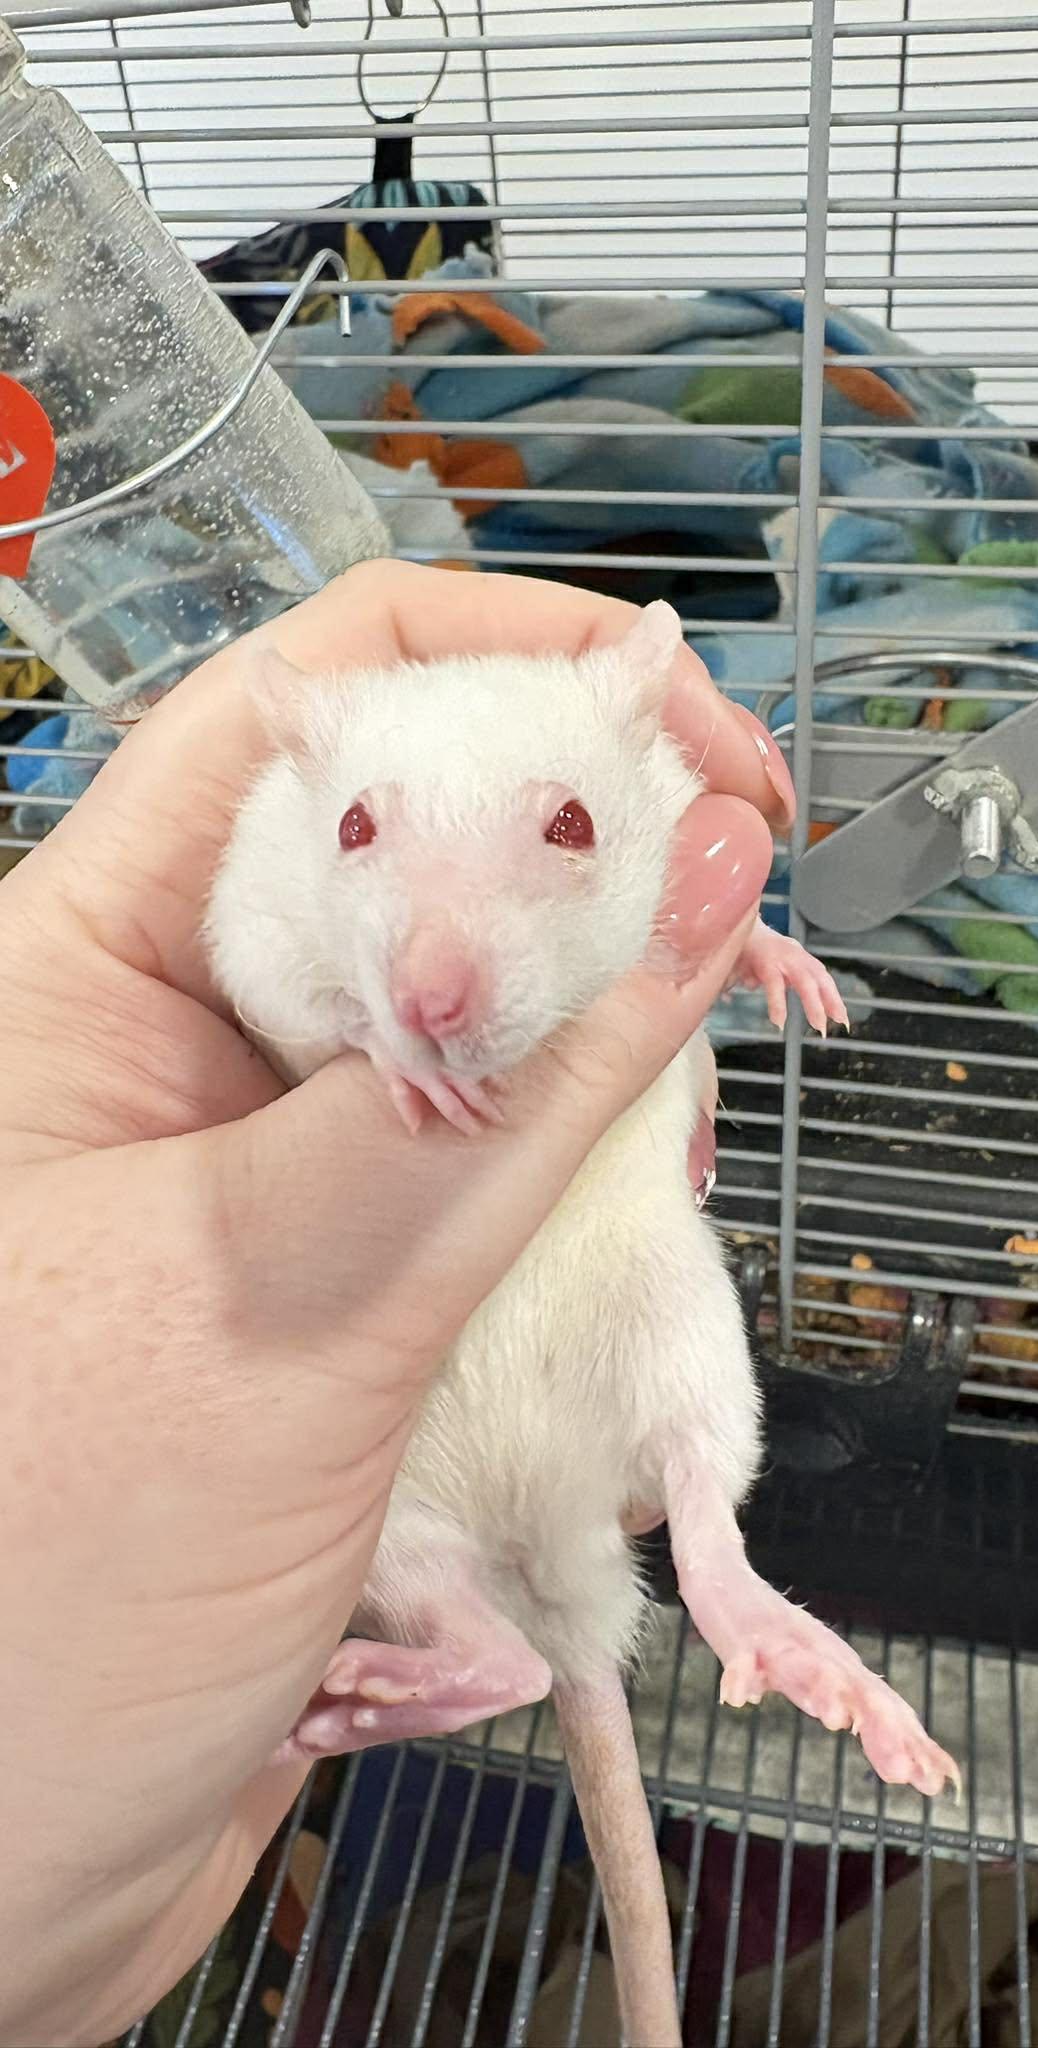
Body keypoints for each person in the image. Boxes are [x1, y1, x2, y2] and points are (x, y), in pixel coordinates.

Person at [0, 562, 792, 2047]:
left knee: (648, 1302)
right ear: (315, 795)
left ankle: (677, 1573)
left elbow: (669, 862)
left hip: (556, 1312)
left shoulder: (626, 760)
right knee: (407, 1459)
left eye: (561, 828)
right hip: (421, 1366)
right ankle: (476, 1634)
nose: (435, 973)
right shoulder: (274, 841)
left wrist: (736, 938)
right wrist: (360, 1030)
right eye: (363, 834)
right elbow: (263, 967)